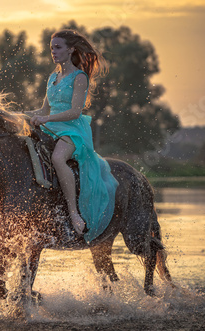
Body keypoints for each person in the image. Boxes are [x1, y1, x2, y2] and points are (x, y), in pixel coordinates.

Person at [25, 29, 119, 243]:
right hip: (51, 128)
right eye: (51, 48)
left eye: (58, 48)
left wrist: (47, 119)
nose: (53, 52)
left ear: (71, 50)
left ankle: (74, 213)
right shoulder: (52, 77)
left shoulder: (79, 77)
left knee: (58, 159)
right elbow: (42, 110)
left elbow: (75, 112)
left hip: (72, 130)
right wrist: (20, 115)